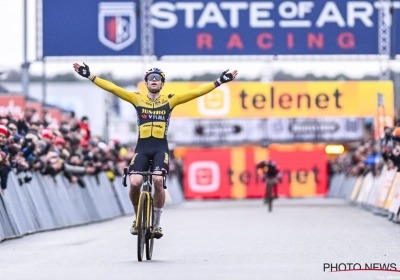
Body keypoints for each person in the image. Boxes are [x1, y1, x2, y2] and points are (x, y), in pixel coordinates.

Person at [73, 62, 238, 238]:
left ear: (162, 84)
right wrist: (90, 76)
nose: (153, 80)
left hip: (160, 148)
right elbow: (113, 88)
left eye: (157, 78)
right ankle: (137, 218)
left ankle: (157, 224)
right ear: (145, 83)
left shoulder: (170, 100)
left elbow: (195, 93)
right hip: (142, 148)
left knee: (158, 181)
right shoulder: (137, 98)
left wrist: (219, 81)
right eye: (150, 78)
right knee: (135, 183)